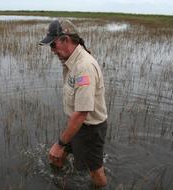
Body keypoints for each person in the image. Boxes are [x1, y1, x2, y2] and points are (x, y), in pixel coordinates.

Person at [39, 19, 108, 187]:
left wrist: (60, 143)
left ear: (66, 39)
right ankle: (61, 183)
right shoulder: (71, 61)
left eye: (53, 45)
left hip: (89, 128)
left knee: (95, 172)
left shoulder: (84, 66)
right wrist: (61, 145)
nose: (52, 51)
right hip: (77, 124)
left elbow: (82, 113)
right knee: (56, 156)